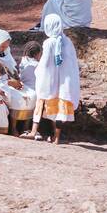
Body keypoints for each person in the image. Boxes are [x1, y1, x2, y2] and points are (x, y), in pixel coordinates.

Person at [34, 14, 80, 144]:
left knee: (54, 111)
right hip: (65, 82)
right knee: (61, 111)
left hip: (52, 82)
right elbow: (72, 64)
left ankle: (54, 135)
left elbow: (45, 63)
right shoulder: (67, 41)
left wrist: (37, 71)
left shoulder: (49, 43)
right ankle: (57, 137)